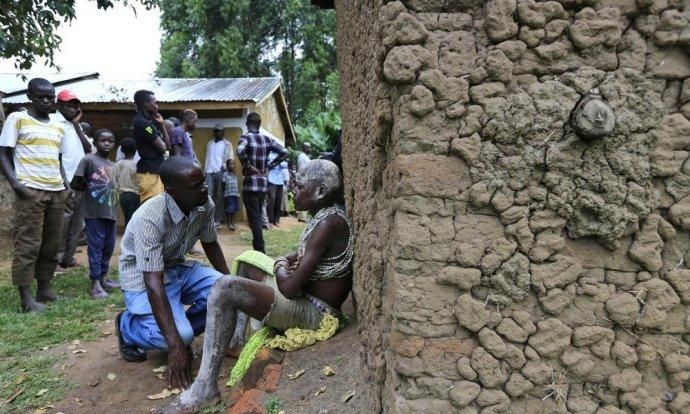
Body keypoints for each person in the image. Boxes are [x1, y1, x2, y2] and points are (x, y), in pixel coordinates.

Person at [153, 160, 353, 414]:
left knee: (225, 288)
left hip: (314, 313)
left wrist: (281, 264)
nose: (292, 190)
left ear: (320, 193)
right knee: (247, 261)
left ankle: (205, 389)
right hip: (305, 297)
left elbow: (290, 288)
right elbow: (303, 253)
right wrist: (288, 262)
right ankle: (235, 341)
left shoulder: (328, 223)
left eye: (300, 186)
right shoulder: (324, 215)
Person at [115, 156, 231, 386]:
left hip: (176, 268)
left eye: (203, 181)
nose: (204, 189)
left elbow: (210, 243)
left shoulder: (203, 203)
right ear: (172, 191)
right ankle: (127, 327)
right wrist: (176, 346)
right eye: (196, 186)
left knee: (228, 293)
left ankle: (175, 327)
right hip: (144, 278)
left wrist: (230, 281)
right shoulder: (151, 217)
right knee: (183, 337)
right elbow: (153, 282)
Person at [0, 78, 68, 313]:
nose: (48, 101)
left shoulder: (58, 125)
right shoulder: (17, 119)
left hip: (56, 191)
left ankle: (45, 289)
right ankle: (26, 297)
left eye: (51, 97)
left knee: (52, 244)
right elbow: (4, 153)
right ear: (30, 97)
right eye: (42, 97)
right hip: (31, 190)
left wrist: (65, 185)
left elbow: (57, 159)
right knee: (28, 244)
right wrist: (17, 185)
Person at [71, 129, 120, 299]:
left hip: (110, 212)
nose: (107, 143)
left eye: (110, 141)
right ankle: (95, 283)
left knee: (109, 247)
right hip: (94, 213)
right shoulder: (88, 160)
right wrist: (89, 187)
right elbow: (76, 182)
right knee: (96, 247)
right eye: (102, 140)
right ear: (95, 142)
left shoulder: (113, 165)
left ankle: (104, 277)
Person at [52, 90, 93, 269]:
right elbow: (56, 157)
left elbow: (88, 149)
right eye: (69, 105)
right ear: (58, 105)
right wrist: (64, 183)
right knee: (62, 223)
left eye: (76, 105)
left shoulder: (75, 126)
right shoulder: (54, 123)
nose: (73, 108)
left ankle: (68, 258)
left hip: (80, 182)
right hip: (65, 182)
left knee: (76, 223)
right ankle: (55, 261)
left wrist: (77, 125)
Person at [236, 113, 287, 252]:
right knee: (257, 216)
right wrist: (269, 166)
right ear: (259, 124)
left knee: (255, 220)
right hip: (263, 185)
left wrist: (248, 166)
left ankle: (260, 250)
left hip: (250, 185)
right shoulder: (267, 139)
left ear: (247, 124)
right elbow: (284, 151)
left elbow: (240, 150)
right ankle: (258, 248)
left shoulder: (246, 137)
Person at [132, 89, 171, 203]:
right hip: (149, 173)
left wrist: (162, 125)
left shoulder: (151, 122)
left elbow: (167, 146)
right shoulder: (142, 123)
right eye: (155, 103)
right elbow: (163, 148)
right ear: (146, 104)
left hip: (156, 171)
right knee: (152, 210)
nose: (157, 106)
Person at [204, 124, 233, 225]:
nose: (218, 132)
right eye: (216, 131)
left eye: (220, 131)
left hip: (220, 172)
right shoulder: (209, 143)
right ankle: (208, 219)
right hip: (209, 171)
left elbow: (230, 158)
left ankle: (218, 219)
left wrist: (225, 168)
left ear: (223, 132)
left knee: (219, 195)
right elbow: (207, 158)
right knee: (208, 195)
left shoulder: (227, 144)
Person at [113, 138, 140, 226]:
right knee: (133, 219)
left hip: (122, 195)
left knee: (127, 218)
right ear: (136, 150)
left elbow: (114, 181)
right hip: (135, 195)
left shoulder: (117, 165)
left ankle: (127, 237)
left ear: (121, 150)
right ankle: (130, 238)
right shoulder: (138, 165)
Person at [266, 151, 287, 226]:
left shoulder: (281, 154)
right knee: (271, 199)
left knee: (278, 200)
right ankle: (270, 220)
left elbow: (285, 165)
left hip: (280, 180)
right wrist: (278, 161)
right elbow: (269, 165)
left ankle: (276, 220)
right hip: (271, 179)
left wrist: (278, 162)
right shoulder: (269, 155)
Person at [296, 142, 312, 222]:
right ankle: (302, 218)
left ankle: (302, 217)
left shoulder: (305, 156)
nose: (310, 149)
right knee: (304, 197)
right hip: (303, 178)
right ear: (304, 148)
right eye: (308, 147)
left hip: (304, 178)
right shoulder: (302, 156)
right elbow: (303, 168)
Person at [222, 159, 239, 231]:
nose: (231, 165)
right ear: (227, 165)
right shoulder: (225, 174)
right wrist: (225, 192)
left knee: (234, 209)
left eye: (233, 164)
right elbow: (223, 184)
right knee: (229, 209)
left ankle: (232, 223)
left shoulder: (235, 174)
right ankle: (229, 224)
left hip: (235, 194)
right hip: (228, 195)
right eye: (229, 164)